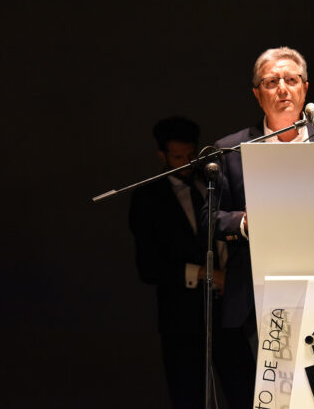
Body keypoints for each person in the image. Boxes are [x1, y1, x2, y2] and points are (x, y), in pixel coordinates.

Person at [201, 46, 314, 405]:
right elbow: (209, 219)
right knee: (280, 400)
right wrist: (246, 222)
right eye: (271, 82)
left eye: (291, 80)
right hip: (261, 298)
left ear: (305, 88)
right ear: (258, 94)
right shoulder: (231, 149)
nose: (283, 89)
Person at [128, 117, 226, 409]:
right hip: (181, 317)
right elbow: (149, 267)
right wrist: (208, 274)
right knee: (188, 394)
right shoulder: (148, 198)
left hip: (227, 310)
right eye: (177, 157)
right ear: (163, 156)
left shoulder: (212, 184)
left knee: (242, 386)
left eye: (191, 155)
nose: (186, 163)